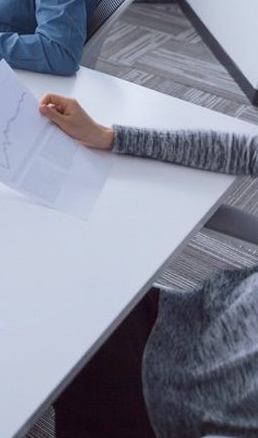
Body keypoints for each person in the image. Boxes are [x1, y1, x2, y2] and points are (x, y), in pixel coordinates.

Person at [39, 93, 258, 437]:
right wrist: (107, 135)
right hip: (185, 326)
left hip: (182, 413)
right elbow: (244, 151)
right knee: (63, 301)